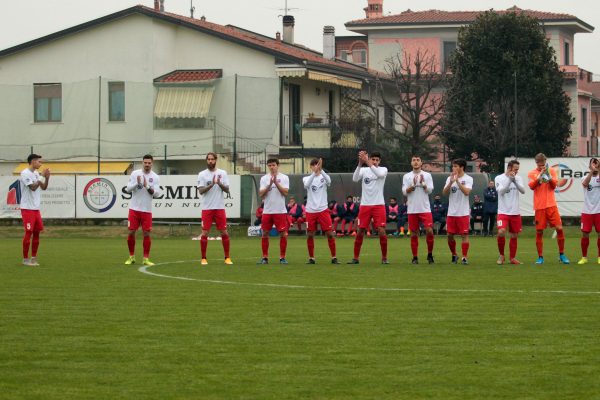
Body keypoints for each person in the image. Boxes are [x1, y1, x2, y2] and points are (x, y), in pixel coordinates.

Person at [527, 153, 570, 264]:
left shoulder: (551, 170)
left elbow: (554, 186)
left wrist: (548, 176)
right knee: (539, 231)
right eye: (540, 165)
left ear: (545, 162)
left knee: (559, 229)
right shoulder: (532, 173)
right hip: (539, 206)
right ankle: (540, 257)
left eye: (543, 164)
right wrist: (540, 176)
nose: (542, 166)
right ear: (536, 163)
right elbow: (531, 186)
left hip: (551, 205)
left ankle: (562, 254)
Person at [348, 150, 388, 264]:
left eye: (377, 160)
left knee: (381, 231)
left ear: (379, 161)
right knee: (360, 231)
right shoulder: (364, 170)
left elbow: (379, 175)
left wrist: (368, 162)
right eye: (373, 159)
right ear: (370, 159)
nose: (375, 162)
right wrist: (360, 163)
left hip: (378, 205)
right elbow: (355, 179)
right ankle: (355, 258)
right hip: (365, 205)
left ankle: (384, 258)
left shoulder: (383, 170)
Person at [124, 154, 161, 266]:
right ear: (142, 163)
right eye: (145, 162)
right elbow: (128, 189)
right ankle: (131, 257)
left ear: (152, 163)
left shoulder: (155, 177)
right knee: (131, 232)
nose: (147, 165)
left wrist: (147, 186)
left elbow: (157, 194)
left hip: (146, 210)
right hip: (134, 209)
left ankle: (145, 258)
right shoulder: (135, 174)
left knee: (146, 234)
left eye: (149, 163)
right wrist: (137, 183)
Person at [196, 152, 232, 265]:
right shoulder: (202, 174)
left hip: (219, 208)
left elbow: (227, 190)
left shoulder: (222, 173)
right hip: (207, 208)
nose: (210, 161)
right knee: (205, 233)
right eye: (208, 159)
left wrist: (219, 183)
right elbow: (201, 191)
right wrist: (211, 184)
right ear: (206, 160)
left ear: (216, 160)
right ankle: (203, 258)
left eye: (212, 159)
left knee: (224, 232)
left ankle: (227, 257)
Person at [302, 158, 340, 264]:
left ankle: (334, 257)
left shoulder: (324, 177)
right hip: (310, 210)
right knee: (310, 234)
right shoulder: (307, 178)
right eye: (313, 165)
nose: (316, 167)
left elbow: (329, 181)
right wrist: (314, 173)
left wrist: (321, 170)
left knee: (329, 233)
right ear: (310, 167)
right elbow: (306, 185)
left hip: (323, 210)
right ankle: (311, 258)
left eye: (317, 165)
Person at [402, 155, 435, 264]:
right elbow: (404, 191)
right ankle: (415, 257)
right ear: (411, 163)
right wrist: (410, 188)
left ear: (421, 163)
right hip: (412, 209)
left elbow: (430, 190)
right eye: (413, 160)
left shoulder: (427, 175)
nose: (416, 162)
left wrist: (424, 185)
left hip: (425, 209)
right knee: (414, 233)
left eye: (418, 160)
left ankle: (430, 254)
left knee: (429, 230)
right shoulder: (407, 176)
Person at [19, 154, 50, 266]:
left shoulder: (36, 173)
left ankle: (33, 258)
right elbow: (32, 187)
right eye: (38, 161)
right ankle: (25, 259)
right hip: (27, 208)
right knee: (29, 232)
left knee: (37, 233)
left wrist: (47, 178)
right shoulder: (25, 173)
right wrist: (42, 176)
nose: (40, 163)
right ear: (33, 161)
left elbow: (43, 187)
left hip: (36, 209)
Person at [258, 158, 290, 264]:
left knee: (283, 234)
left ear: (278, 165)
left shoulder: (284, 177)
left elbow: (285, 193)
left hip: (280, 211)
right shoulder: (264, 178)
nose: (271, 167)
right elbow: (261, 194)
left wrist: (276, 182)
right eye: (270, 165)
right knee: (265, 233)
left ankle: (282, 257)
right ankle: (265, 257)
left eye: (273, 165)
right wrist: (269, 185)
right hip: (267, 211)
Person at [442, 158, 473, 264]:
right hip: (451, 212)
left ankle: (464, 257)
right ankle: (454, 254)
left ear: (461, 167)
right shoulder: (449, 178)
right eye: (453, 166)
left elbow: (467, 192)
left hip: (463, 212)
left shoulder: (468, 178)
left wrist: (458, 182)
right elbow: (444, 193)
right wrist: (450, 182)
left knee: (464, 235)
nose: (453, 168)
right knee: (450, 235)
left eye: (455, 166)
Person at [495, 159, 525, 265]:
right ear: (509, 168)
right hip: (503, 212)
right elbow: (501, 192)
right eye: (515, 169)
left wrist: (514, 180)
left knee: (514, 235)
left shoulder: (518, 178)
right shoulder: (499, 178)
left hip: (515, 212)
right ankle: (502, 255)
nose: (516, 172)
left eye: (517, 170)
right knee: (501, 231)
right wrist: (509, 180)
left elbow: (523, 191)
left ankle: (512, 258)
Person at [578, 157, 600, 264]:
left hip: (598, 212)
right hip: (587, 211)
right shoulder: (584, 177)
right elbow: (585, 184)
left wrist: (598, 169)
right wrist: (592, 171)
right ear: (589, 166)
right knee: (585, 234)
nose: (595, 165)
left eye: (597, 163)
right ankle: (584, 257)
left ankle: (599, 257)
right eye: (593, 164)